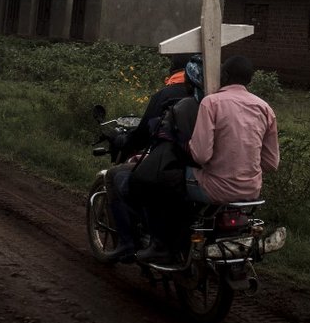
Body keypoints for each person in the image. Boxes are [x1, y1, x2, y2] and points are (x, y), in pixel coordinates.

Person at [103, 54, 190, 262]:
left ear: (173, 71)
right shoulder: (207, 95)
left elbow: (143, 135)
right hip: (200, 167)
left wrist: (124, 141)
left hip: (168, 165)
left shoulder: (165, 95)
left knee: (119, 178)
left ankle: (127, 243)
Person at [186, 55, 279, 205]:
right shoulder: (265, 108)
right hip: (252, 191)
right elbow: (271, 163)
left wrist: (190, 144)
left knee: (170, 177)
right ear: (249, 80)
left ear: (224, 75)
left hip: (213, 189)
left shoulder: (210, 103)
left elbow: (201, 156)